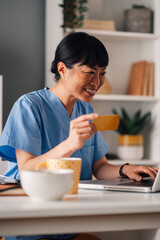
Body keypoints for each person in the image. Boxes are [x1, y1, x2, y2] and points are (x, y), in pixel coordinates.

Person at [0, 32, 158, 240]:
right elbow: (27, 168)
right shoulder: (29, 106)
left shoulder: (84, 110)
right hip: (31, 220)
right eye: (90, 72)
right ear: (63, 69)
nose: (98, 81)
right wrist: (70, 144)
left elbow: (99, 167)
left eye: (102, 73)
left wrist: (125, 169)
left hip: (70, 219)